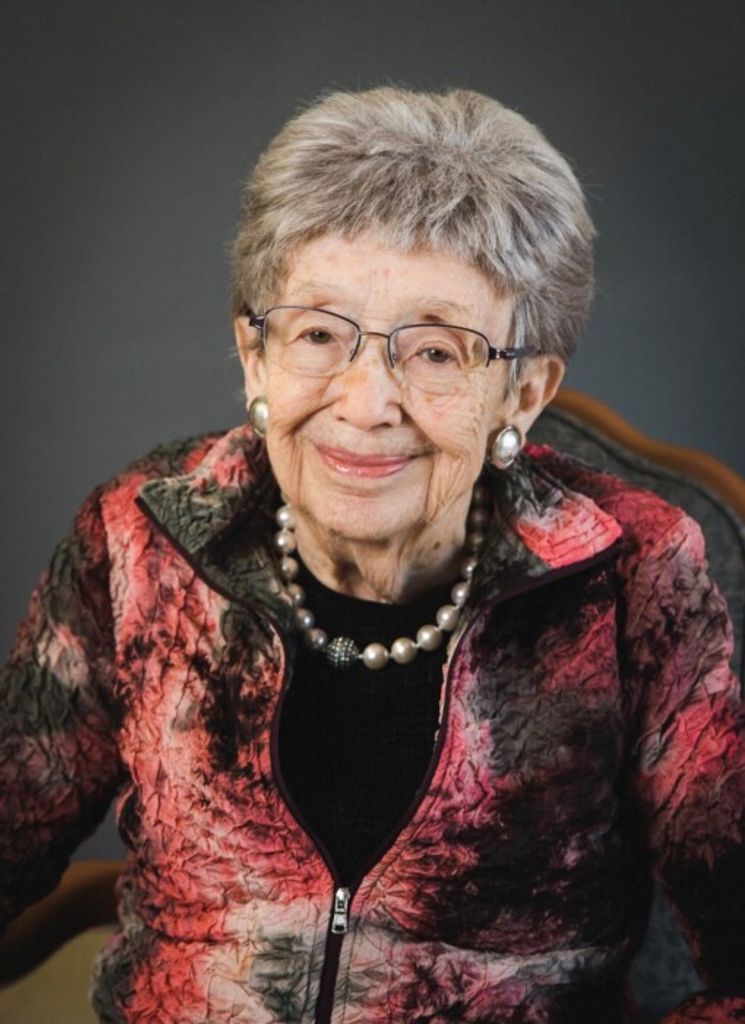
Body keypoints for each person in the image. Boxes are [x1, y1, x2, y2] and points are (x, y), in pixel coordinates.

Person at [1, 87, 743, 1024]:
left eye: (435, 353)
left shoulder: (630, 575)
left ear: (521, 393)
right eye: (318, 334)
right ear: (254, 356)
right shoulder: (141, 537)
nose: (364, 404)